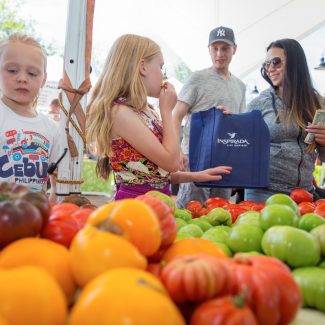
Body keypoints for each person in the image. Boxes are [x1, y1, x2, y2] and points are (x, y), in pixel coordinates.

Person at [86, 34, 232, 200]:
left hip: (157, 202)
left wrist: (196, 176)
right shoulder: (120, 113)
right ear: (143, 67)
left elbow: (155, 175)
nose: (163, 75)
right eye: (160, 67)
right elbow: (171, 163)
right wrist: (167, 111)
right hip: (136, 207)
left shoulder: (146, 110)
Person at [173, 26, 246, 208]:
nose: (219, 53)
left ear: (234, 49)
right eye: (215, 48)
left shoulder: (240, 86)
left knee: (218, 211)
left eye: (225, 48)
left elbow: (239, 124)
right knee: (190, 209)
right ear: (209, 49)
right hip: (195, 157)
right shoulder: (197, 78)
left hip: (225, 160)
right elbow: (176, 115)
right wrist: (178, 151)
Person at [245, 38, 325, 203]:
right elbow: (241, 147)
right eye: (267, 64)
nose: (270, 69)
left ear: (295, 63)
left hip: (304, 195)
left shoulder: (318, 104)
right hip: (263, 194)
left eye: (276, 62)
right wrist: (229, 123)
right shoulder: (258, 104)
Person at [0, 33, 60, 202]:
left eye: (32, 73)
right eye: (12, 70)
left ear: (43, 80)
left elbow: (56, 182)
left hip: (32, 219)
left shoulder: (51, 128)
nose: (22, 78)